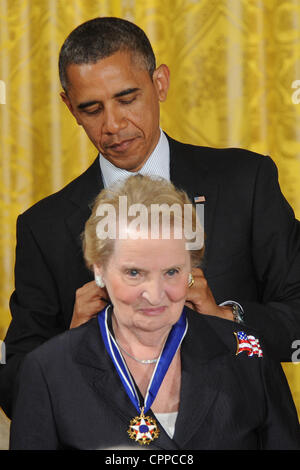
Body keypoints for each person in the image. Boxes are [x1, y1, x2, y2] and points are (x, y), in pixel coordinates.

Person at [1, 17, 300, 419]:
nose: (113, 125)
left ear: (159, 83)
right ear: (69, 107)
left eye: (127, 99)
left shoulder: (246, 183)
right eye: (92, 109)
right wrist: (70, 344)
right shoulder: (43, 226)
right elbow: (13, 391)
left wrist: (227, 318)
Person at [9, 176, 300, 450]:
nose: (155, 293)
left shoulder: (248, 354)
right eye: (134, 272)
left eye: (171, 271)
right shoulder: (49, 369)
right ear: (99, 268)